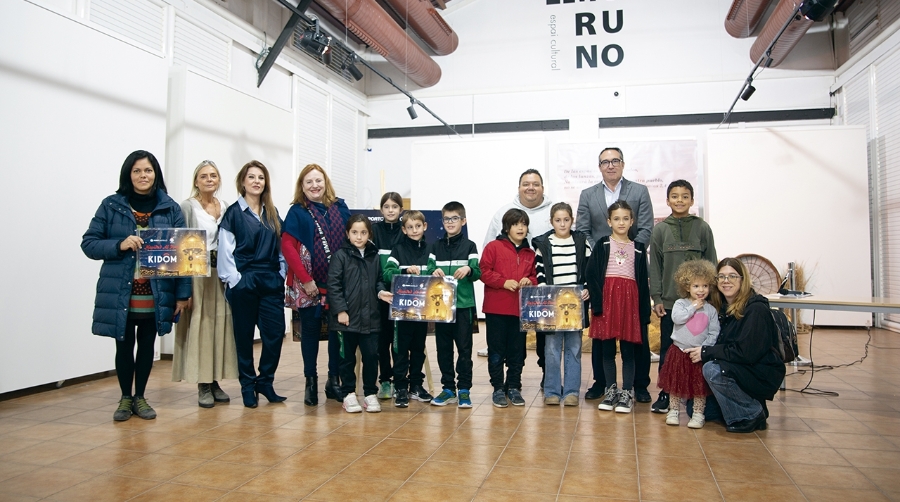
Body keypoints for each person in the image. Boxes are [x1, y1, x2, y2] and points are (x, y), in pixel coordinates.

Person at [81, 150, 191, 421]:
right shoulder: (111, 205)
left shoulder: (170, 208)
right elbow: (89, 243)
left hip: (156, 293)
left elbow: (184, 254)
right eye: (137, 171)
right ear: (128, 175)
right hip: (122, 293)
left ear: (156, 174)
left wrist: (182, 295)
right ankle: (124, 398)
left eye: (148, 170)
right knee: (123, 345)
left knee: (146, 345)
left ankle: (140, 397)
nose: (143, 176)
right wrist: (119, 244)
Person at [576, 147, 654, 403]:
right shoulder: (588, 194)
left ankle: (637, 386)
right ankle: (603, 384)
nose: (610, 165)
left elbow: (646, 227)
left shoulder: (639, 191)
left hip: (630, 274)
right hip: (604, 274)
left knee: (635, 340)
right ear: (599, 166)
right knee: (603, 341)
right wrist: (603, 251)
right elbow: (583, 230)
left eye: (615, 160)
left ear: (622, 163)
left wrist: (631, 247)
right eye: (605, 162)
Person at [686, 258, 785, 433]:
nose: (726, 281)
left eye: (732, 276)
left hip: (759, 371)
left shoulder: (755, 309)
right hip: (740, 368)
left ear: (742, 279)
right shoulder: (722, 307)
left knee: (712, 370)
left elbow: (746, 353)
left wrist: (706, 352)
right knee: (692, 407)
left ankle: (751, 413)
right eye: (721, 276)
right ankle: (752, 405)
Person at [218, 160, 287, 408]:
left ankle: (265, 382)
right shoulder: (233, 213)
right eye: (252, 177)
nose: (257, 181)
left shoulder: (272, 212)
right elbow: (225, 251)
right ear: (243, 182)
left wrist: (281, 273)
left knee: (275, 334)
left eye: (261, 177)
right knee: (244, 337)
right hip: (244, 281)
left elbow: (281, 247)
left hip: (270, 281)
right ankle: (248, 386)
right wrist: (235, 281)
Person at [282, 164, 350, 406]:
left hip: (337, 284)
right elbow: (287, 247)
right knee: (310, 333)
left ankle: (333, 381)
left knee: (336, 333)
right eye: (309, 182)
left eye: (318, 180)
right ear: (302, 186)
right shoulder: (297, 212)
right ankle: (310, 382)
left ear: (325, 182)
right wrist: (306, 279)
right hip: (308, 284)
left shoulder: (340, 208)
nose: (314, 185)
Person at [171, 160, 238, 408]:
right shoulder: (188, 207)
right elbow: (180, 245)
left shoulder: (227, 206)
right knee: (201, 326)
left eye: (213, 175)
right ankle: (203, 383)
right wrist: (183, 288)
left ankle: (215, 379)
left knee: (221, 325)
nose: (209, 179)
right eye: (204, 176)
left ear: (218, 180)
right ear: (196, 181)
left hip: (221, 274)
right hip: (197, 275)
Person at [649, 179, 717, 414]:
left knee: (698, 348)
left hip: (699, 304)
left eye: (685, 196)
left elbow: (712, 262)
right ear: (667, 201)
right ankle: (666, 393)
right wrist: (657, 298)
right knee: (669, 350)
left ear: (692, 200)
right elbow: (655, 267)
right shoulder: (660, 230)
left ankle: (696, 393)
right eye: (675, 196)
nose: (680, 200)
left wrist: (710, 298)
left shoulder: (702, 228)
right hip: (670, 304)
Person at [480, 169, 554, 371]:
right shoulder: (503, 213)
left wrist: (533, 280)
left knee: (542, 342)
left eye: (535, 184)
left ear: (542, 188)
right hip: (505, 301)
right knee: (506, 346)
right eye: (526, 184)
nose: (531, 188)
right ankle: (503, 383)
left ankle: (545, 379)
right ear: (519, 187)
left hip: (542, 292)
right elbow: (486, 262)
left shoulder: (553, 212)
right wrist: (502, 281)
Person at [585, 200, 651, 414]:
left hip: (629, 304)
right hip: (607, 302)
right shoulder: (602, 244)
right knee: (607, 349)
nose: (621, 223)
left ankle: (627, 392)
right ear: (609, 221)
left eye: (625, 218)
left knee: (628, 350)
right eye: (616, 219)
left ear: (632, 221)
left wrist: (643, 312)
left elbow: (643, 283)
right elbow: (591, 274)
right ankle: (611, 389)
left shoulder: (638, 248)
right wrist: (597, 304)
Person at [327, 215, 394, 413]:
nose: (359, 237)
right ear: (347, 234)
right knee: (347, 359)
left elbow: (378, 280)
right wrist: (341, 310)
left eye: (363, 232)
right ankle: (348, 393)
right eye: (355, 232)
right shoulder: (340, 256)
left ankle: (370, 393)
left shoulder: (374, 256)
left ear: (369, 234)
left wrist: (381, 292)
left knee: (371, 356)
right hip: (346, 319)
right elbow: (334, 286)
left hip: (371, 318)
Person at [533, 202, 591, 407]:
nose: (562, 224)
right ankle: (552, 391)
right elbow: (539, 271)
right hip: (552, 304)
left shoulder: (581, 241)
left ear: (572, 220)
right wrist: (545, 292)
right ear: (551, 222)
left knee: (574, 348)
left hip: (575, 303)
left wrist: (587, 288)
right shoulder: (543, 244)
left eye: (566, 220)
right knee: (551, 348)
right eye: (558, 220)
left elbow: (589, 268)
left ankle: (572, 391)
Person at [480, 209, 537, 408]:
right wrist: (503, 282)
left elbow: (535, 276)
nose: (520, 228)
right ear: (506, 228)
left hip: (520, 310)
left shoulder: (530, 253)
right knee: (496, 351)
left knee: (517, 352)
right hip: (496, 308)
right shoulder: (493, 247)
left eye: (524, 224)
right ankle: (497, 388)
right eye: (515, 224)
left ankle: (513, 386)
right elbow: (483, 271)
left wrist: (530, 281)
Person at [427, 201, 482, 408]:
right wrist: (433, 271)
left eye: (455, 218)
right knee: (443, 349)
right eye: (446, 219)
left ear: (463, 221)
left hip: (463, 306)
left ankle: (464, 389)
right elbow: (429, 269)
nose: (450, 222)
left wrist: (469, 269)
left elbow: (477, 273)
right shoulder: (435, 246)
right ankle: (448, 389)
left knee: (464, 349)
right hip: (441, 306)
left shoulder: (470, 246)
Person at [658, 260, 720, 429]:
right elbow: (677, 318)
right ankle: (673, 410)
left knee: (699, 386)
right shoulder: (680, 304)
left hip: (697, 355)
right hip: (678, 351)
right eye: (696, 286)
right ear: (687, 287)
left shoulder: (711, 310)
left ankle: (699, 414)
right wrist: (693, 307)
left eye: (705, 286)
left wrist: (703, 348)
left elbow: (714, 332)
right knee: (675, 383)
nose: (701, 290)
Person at [382, 210, 434, 407]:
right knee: (400, 349)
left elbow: (433, 271)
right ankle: (400, 386)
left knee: (418, 348)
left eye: (418, 226)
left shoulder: (431, 250)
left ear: (424, 226)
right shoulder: (397, 250)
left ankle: (416, 385)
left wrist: (434, 272)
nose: (414, 230)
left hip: (422, 309)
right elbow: (387, 273)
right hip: (402, 310)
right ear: (403, 229)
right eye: (410, 227)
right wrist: (404, 270)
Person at [372, 192, 404, 400]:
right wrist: (379, 289)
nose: (390, 210)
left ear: (401, 209)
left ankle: (402, 381)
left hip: (403, 293)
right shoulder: (374, 231)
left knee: (400, 340)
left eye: (394, 206)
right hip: (381, 294)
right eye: (386, 206)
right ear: (381, 209)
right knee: (382, 340)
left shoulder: (406, 229)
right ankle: (385, 379)